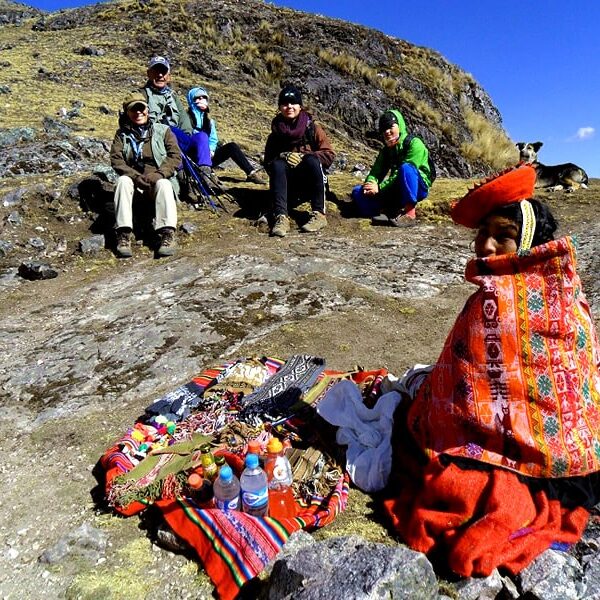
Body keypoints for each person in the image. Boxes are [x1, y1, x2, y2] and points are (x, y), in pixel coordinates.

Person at [383, 164, 600, 578]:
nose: (484, 245)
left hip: (512, 455)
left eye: (503, 235)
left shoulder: (501, 304)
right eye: (481, 234)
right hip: (573, 453)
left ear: (531, 240)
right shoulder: (565, 292)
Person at [110, 92, 181, 258]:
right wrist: (135, 177)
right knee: (122, 181)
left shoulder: (163, 131)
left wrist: (160, 174)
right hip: (135, 185)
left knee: (164, 184)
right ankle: (124, 234)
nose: (138, 113)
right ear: (127, 113)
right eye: (133, 110)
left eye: (141, 108)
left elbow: (175, 156)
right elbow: (117, 161)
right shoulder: (121, 135)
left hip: (157, 183)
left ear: (147, 110)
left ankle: (167, 234)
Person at [263, 84, 335, 237]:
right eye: (285, 103)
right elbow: (268, 163)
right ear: (280, 107)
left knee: (311, 160)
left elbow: (329, 155)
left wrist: (305, 157)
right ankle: (281, 217)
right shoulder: (275, 134)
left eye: (293, 103)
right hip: (288, 186)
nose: (289, 106)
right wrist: (282, 156)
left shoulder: (312, 128)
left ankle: (319, 214)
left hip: (311, 182)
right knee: (277, 164)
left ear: (300, 106)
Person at [352, 109, 432, 227]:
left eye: (391, 127)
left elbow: (404, 171)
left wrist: (379, 187)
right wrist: (370, 184)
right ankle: (384, 212)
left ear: (399, 126)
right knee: (357, 191)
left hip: (418, 186)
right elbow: (376, 172)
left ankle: (410, 214)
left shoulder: (415, 144)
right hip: (397, 187)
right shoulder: (386, 151)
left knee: (406, 168)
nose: (387, 132)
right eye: (384, 129)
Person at [186, 86, 266, 184]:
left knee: (231, 147)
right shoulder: (186, 117)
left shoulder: (209, 121)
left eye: (204, 97)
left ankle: (251, 173)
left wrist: (211, 150)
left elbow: (213, 139)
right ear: (191, 100)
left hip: (209, 156)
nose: (202, 100)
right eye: (198, 98)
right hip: (193, 156)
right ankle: (209, 175)